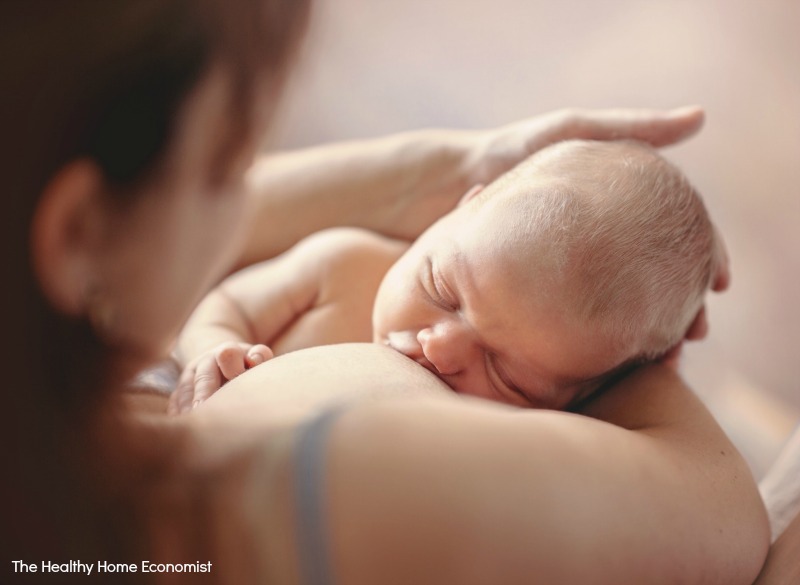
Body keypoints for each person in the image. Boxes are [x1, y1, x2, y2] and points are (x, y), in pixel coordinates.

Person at [1, 1, 770, 584]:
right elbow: (732, 518)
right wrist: (636, 354)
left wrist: (453, 181)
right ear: (79, 234)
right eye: (234, 167)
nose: (438, 343)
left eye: (513, 374)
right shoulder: (335, 475)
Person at [172, 138, 723, 414]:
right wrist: (215, 350)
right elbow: (227, 304)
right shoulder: (343, 265)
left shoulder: (515, 435)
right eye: (442, 290)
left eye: (510, 378)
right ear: (457, 209)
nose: (440, 346)